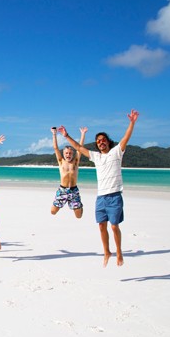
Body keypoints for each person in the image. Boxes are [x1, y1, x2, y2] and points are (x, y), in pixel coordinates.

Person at [59, 109, 139, 267]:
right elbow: (79, 148)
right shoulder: (96, 157)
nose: (100, 142)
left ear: (108, 141)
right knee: (101, 225)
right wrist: (66, 136)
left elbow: (125, 138)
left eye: (103, 140)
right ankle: (107, 252)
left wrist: (132, 123)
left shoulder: (116, 152)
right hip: (101, 197)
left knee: (114, 226)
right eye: (98, 141)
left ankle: (119, 252)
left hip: (115, 196)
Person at [51, 126, 88, 218]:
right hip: (62, 190)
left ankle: (80, 206)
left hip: (73, 191)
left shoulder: (75, 162)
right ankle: (72, 204)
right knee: (53, 212)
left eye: (70, 153)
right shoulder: (61, 161)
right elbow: (55, 148)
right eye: (66, 153)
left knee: (78, 216)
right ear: (63, 154)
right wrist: (54, 134)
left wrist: (83, 134)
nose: (68, 155)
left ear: (73, 154)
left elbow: (80, 148)